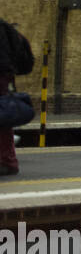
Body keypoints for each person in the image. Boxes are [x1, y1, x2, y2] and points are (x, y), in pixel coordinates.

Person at [0, 18, 33, 176]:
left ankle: (7, 162)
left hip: (1, 76)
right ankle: (7, 161)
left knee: (3, 120)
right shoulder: (5, 26)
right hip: (5, 77)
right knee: (3, 121)